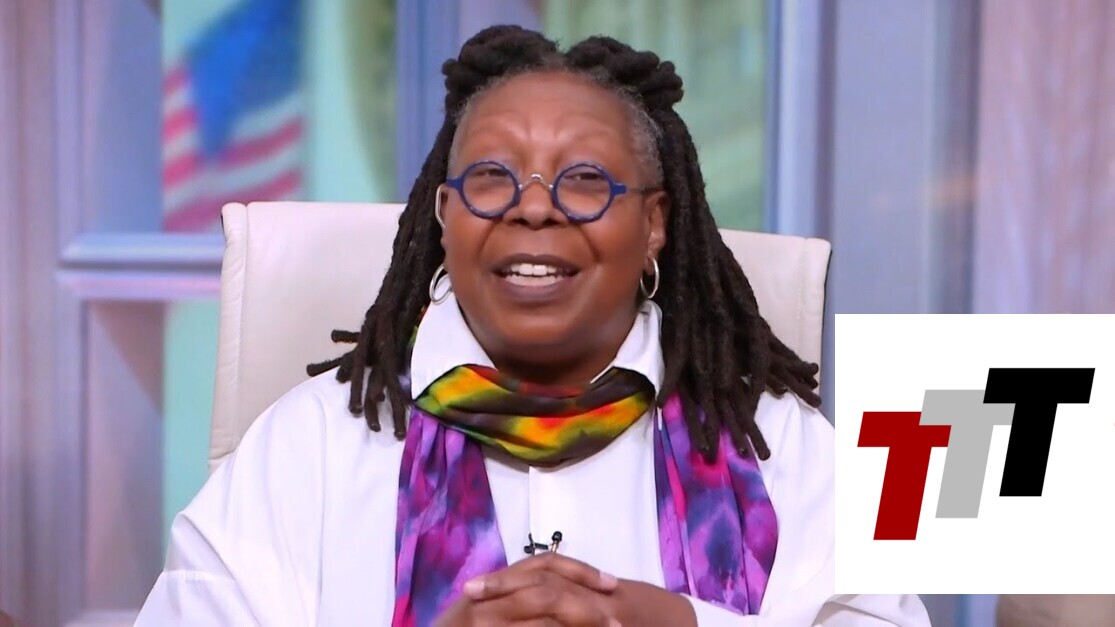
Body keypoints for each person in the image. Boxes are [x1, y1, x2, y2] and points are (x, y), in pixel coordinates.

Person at [136, 26, 930, 626]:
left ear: (654, 223)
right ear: (444, 216)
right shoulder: (309, 448)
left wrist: (684, 624)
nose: (534, 206)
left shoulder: (777, 442)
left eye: (584, 179)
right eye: (491, 176)